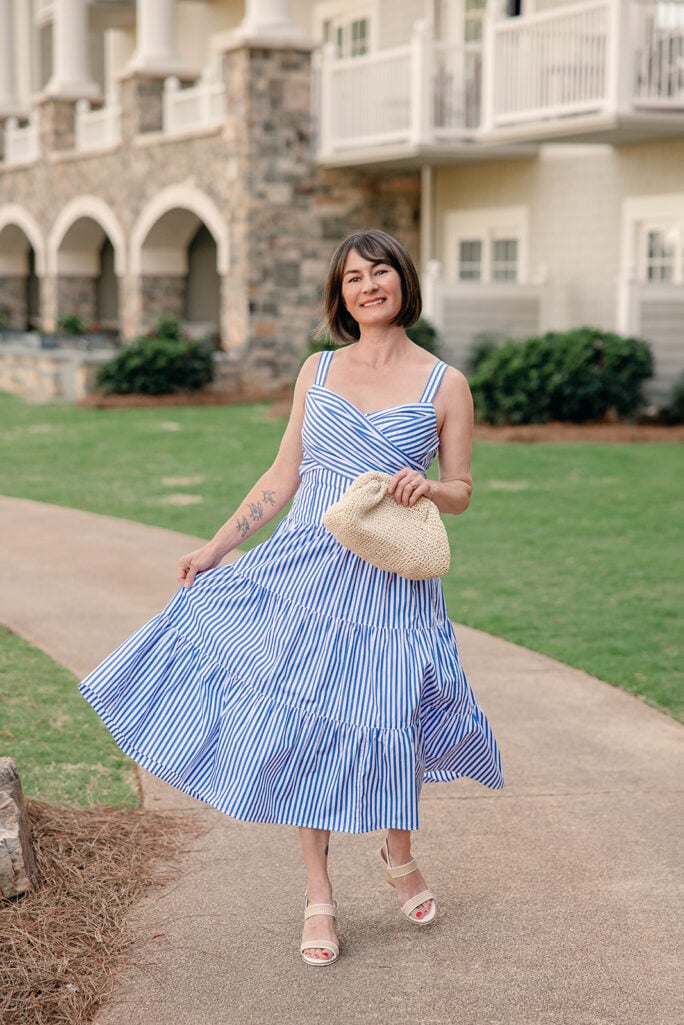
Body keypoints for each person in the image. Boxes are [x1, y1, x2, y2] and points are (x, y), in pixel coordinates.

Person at [79, 228, 503, 967]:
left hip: (391, 584)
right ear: (340, 296)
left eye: (379, 273)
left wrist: (430, 485)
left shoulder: (446, 383)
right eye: (351, 279)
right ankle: (319, 894)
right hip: (306, 573)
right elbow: (283, 477)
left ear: (403, 280)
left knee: (386, 714)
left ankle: (397, 855)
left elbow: (463, 491)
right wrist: (216, 546)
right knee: (309, 725)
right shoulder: (319, 369)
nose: (367, 287)